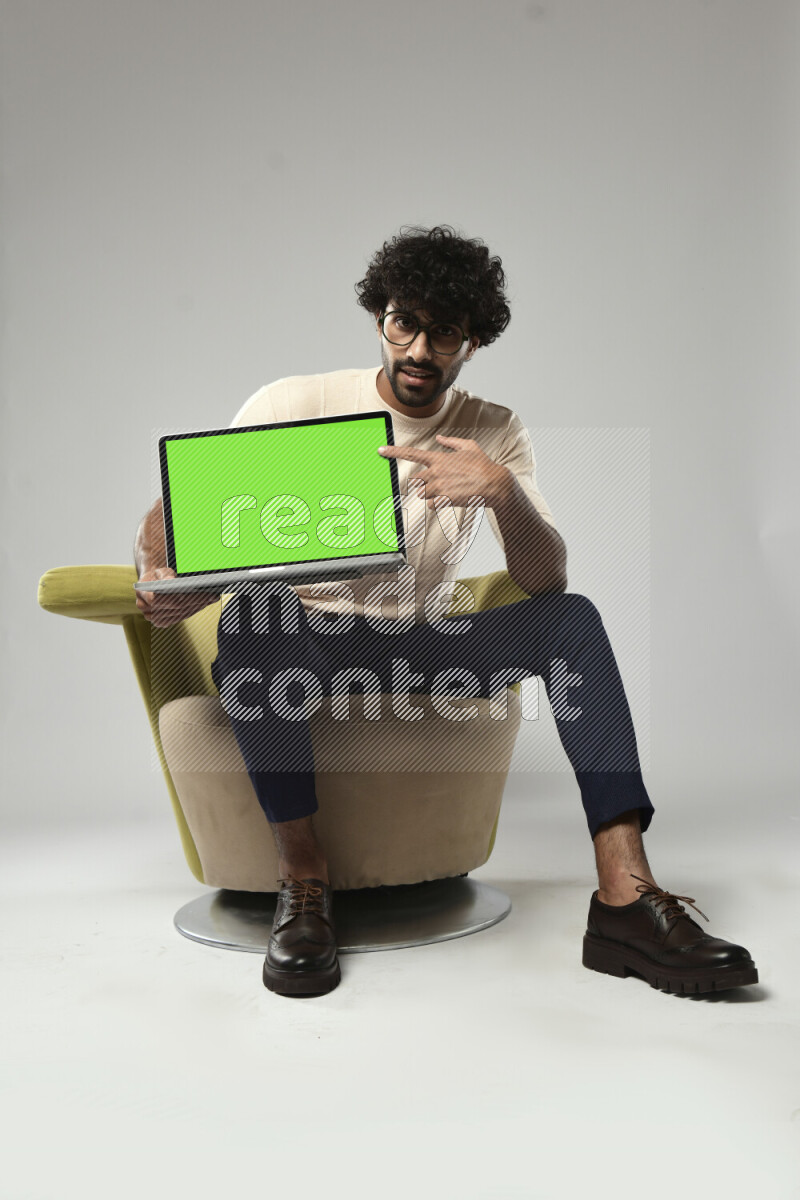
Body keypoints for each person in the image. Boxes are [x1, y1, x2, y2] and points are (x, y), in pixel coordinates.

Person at [134, 225, 758, 999]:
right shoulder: (295, 402)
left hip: (423, 640)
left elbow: (544, 580)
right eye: (406, 324)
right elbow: (174, 516)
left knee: (572, 620)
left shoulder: (494, 429)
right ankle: (304, 881)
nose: (421, 350)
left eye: (446, 333)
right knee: (255, 611)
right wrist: (160, 573)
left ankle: (626, 899)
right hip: (304, 638)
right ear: (380, 319)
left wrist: (501, 493)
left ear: (473, 341)